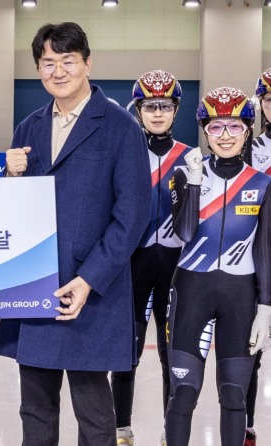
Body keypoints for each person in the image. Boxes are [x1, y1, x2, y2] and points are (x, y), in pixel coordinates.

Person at [0, 22, 151, 446]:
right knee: (35, 413)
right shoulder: (28, 128)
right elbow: (13, 212)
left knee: (95, 416)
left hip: (92, 292)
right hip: (36, 288)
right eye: (48, 63)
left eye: (68, 61)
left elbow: (133, 215)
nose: (58, 71)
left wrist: (89, 279)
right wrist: (9, 178)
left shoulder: (121, 127)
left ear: (87, 63)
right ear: (38, 69)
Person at [164, 86, 271, 446]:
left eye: (234, 126)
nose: (225, 135)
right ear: (205, 131)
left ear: (248, 130)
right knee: (182, 394)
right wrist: (194, 184)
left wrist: (266, 306)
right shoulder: (184, 174)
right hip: (191, 292)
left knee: (234, 395)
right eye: (215, 127)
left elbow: (265, 249)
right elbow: (184, 233)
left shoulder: (263, 183)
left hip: (240, 297)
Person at [111, 70, 193, 446]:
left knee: (170, 356)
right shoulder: (126, 154)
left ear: (176, 110)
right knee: (126, 353)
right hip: (134, 268)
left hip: (176, 270)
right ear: (138, 110)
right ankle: (121, 428)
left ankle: (169, 429)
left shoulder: (191, 158)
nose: (157, 113)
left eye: (165, 105)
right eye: (149, 106)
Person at [241, 66, 271, 446]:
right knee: (252, 348)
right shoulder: (251, 147)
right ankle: (246, 426)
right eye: (270, 99)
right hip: (258, 257)